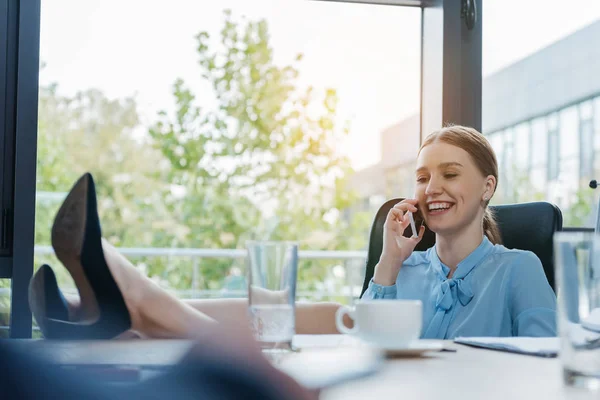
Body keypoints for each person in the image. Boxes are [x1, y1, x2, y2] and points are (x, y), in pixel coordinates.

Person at [362, 125, 557, 339]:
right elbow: (364, 351)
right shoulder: (399, 271)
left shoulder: (519, 270)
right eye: (422, 178)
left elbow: (547, 361)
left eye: (450, 174)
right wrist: (389, 263)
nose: (431, 189)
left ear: (487, 187)